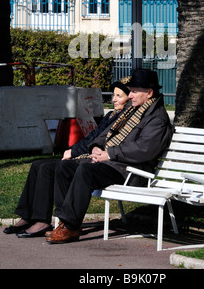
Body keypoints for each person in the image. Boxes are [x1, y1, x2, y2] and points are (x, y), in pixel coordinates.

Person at [45, 69, 173, 244]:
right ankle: (65, 222)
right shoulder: (133, 111)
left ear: (149, 93)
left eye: (135, 91)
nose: (131, 95)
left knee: (85, 171)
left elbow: (143, 150)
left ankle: (70, 226)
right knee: (64, 167)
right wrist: (97, 147)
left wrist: (110, 154)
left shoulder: (157, 118)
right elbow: (108, 135)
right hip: (114, 164)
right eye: (131, 91)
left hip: (132, 171)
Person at [3, 78, 130, 237]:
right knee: (37, 164)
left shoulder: (125, 119)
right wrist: (73, 149)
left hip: (99, 162)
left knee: (47, 168)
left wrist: (73, 152)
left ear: (129, 97)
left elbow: (102, 142)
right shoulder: (112, 115)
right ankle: (28, 216)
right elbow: (93, 137)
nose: (114, 99)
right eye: (114, 95)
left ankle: (44, 222)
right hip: (88, 156)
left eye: (119, 96)